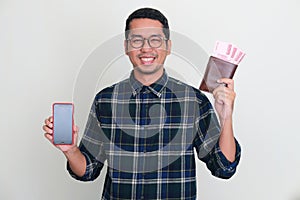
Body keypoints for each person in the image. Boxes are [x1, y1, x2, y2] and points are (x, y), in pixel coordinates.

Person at [43, 7, 241, 200]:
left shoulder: (193, 100)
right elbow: (88, 171)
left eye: (155, 40)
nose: (146, 48)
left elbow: (223, 168)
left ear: (168, 46)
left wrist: (226, 116)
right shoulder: (105, 100)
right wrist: (71, 150)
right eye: (137, 40)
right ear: (126, 47)